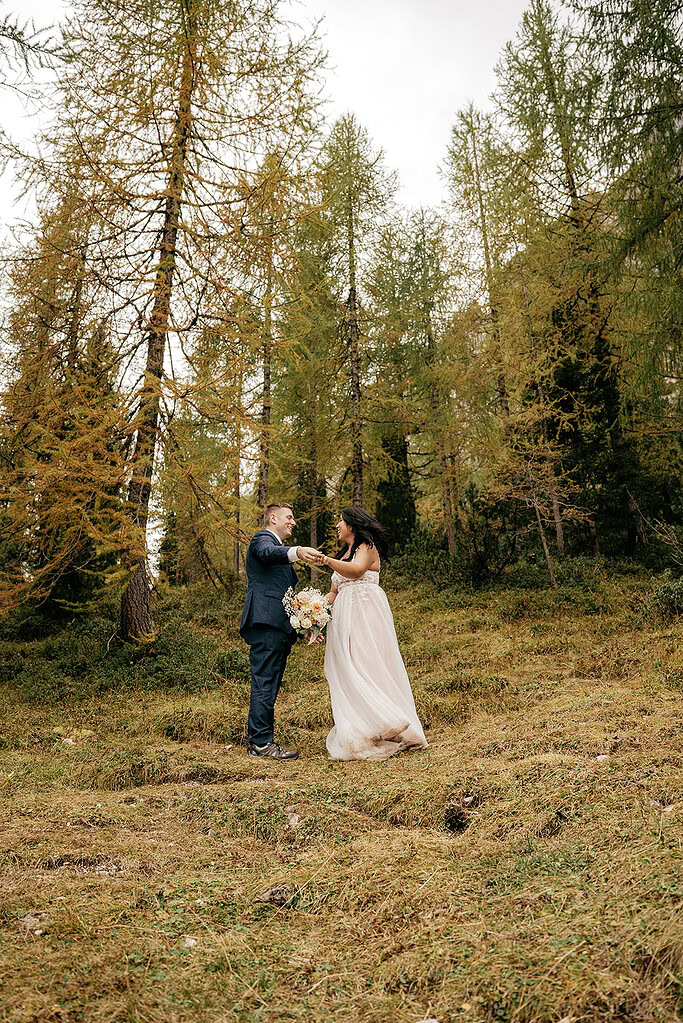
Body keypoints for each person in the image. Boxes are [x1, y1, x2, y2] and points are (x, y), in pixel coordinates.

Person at [314, 507, 428, 760]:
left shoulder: (366, 546)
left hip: (366, 615)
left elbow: (356, 571)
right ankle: (365, 726)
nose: (336, 526)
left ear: (352, 525)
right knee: (349, 668)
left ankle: (390, 721)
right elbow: (333, 592)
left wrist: (325, 561)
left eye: (340, 522)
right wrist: (311, 610)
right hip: (344, 619)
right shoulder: (343, 554)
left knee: (370, 664)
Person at [240, 503, 321, 760]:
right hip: (266, 624)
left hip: (278, 626)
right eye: (289, 517)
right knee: (264, 682)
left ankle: (261, 741)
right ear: (272, 518)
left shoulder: (277, 552)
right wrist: (297, 551)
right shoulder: (262, 539)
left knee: (269, 684)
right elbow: (266, 553)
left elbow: (286, 599)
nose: (293, 522)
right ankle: (261, 744)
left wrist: (306, 627)